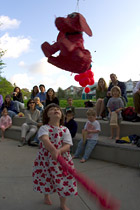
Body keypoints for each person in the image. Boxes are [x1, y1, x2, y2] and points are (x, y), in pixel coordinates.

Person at [32, 103, 78, 210]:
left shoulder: (65, 129)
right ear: (47, 115)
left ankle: (63, 204)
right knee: (46, 179)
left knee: (64, 181)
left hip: (62, 160)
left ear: (62, 115)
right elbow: (45, 139)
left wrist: (59, 151)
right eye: (52, 109)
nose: (56, 110)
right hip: (46, 160)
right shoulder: (44, 128)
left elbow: (67, 145)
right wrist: (53, 150)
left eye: (58, 109)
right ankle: (46, 195)